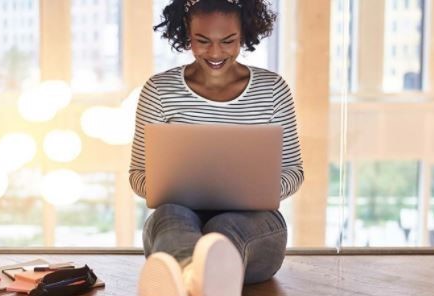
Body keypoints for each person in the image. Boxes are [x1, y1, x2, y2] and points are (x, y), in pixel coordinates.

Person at [130, 0, 304, 295]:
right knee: (171, 216)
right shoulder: (159, 90)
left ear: (244, 34)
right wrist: (164, 186)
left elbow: (293, 171)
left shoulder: (273, 89)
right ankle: (196, 280)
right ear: (186, 35)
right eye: (202, 41)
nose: (214, 52)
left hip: (255, 222)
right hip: (178, 216)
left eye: (228, 41)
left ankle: (189, 282)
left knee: (224, 228)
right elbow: (138, 175)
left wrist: (260, 190)